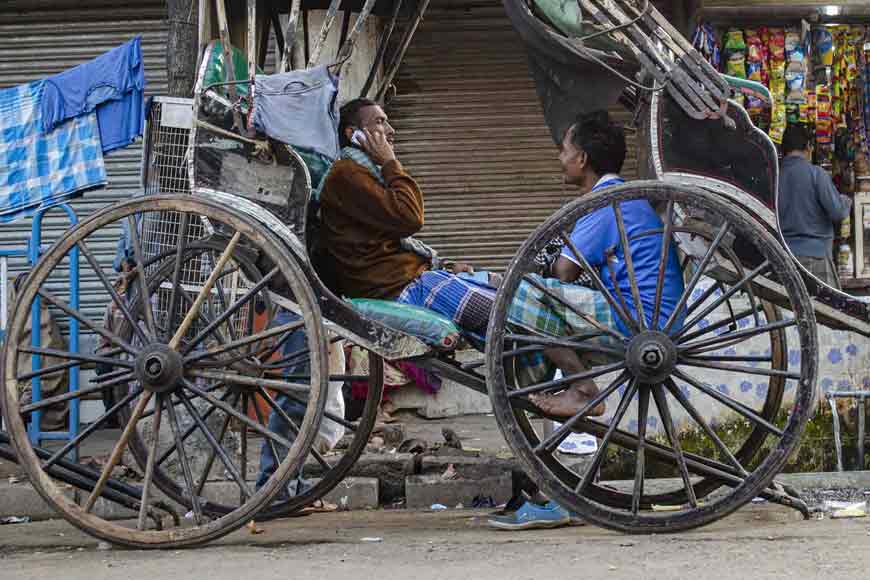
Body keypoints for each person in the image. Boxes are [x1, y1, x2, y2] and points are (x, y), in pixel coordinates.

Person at [778, 123, 852, 289]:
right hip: (815, 258)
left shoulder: (775, 176)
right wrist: (846, 201)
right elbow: (838, 212)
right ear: (808, 147)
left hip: (784, 257)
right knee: (826, 312)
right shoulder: (816, 174)